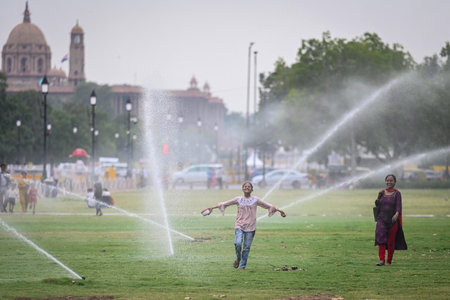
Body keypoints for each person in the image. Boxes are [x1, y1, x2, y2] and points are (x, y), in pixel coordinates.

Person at [203, 181, 286, 269]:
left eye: (249, 187)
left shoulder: (255, 200)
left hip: (251, 227)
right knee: (237, 243)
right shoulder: (238, 199)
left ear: (252, 189)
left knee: (246, 248)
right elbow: (225, 203)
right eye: (245, 186)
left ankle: (242, 266)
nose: (247, 188)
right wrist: (212, 207)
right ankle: (238, 258)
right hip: (239, 225)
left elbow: (269, 206)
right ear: (242, 188)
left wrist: (280, 211)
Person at [374, 174, 407, 266]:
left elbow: (399, 206)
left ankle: (389, 261)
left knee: (391, 240)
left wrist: (397, 214)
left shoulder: (397, 193)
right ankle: (381, 260)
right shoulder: (382, 192)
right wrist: (378, 196)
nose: (389, 182)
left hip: (392, 220)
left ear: (395, 182)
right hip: (382, 219)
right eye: (387, 180)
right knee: (381, 238)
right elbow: (377, 205)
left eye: (391, 180)